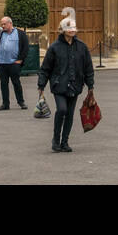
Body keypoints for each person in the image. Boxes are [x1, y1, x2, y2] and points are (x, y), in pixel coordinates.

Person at [37, 17, 95, 153]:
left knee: (69, 114)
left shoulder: (81, 47)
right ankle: (55, 139)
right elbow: (46, 68)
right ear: (62, 30)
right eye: (69, 29)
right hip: (59, 85)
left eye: (74, 29)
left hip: (75, 85)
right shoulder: (54, 47)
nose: (72, 31)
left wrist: (90, 85)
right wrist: (41, 85)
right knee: (62, 109)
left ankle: (65, 142)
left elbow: (88, 67)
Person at [0, 16, 29, 110]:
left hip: (14, 63)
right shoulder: (1, 33)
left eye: (4, 24)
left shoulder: (20, 33)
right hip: (2, 63)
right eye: (1, 24)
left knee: (16, 83)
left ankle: (21, 102)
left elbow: (25, 48)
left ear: (10, 23)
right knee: (3, 84)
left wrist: (20, 60)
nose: (2, 26)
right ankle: (5, 104)